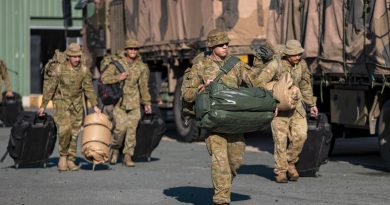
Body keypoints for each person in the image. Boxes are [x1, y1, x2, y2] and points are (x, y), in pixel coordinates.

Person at [181, 29, 254, 205]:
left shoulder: (236, 65)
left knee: (234, 162)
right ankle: (221, 198)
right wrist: (201, 89)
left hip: (235, 121)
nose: (225, 47)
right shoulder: (201, 66)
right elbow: (187, 94)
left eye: (227, 45)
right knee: (220, 160)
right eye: (221, 45)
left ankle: (223, 185)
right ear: (212, 46)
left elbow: (255, 82)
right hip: (213, 122)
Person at [253, 39, 318, 183]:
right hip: (279, 108)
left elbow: (305, 85)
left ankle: (290, 162)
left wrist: (311, 104)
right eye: (294, 55)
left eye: (299, 54)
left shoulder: (301, 65)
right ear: (287, 54)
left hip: (297, 107)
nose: (297, 57)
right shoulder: (276, 64)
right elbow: (259, 83)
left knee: (301, 135)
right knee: (280, 140)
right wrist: (272, 98)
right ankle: (281, 171)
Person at [38, 43, 101, 171]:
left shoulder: (83, 70)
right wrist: (43, 106)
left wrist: (95, 105)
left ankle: (71, 160)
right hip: (62, 103)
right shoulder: (59, 69)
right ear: (68, 57)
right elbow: (50, 88)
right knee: (64, 129)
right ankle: (62, 157)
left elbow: (88, 89)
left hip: (77, 105)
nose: (77, 59)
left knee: (74, 132)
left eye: (78, 56)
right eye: (74, 57)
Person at [101, 39, 152, 167]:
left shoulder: (141, 67)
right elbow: (104, 78)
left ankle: (128, 156)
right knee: (120, 129)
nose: (133, 51)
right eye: (130, 49)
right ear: (126, 50)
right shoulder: (117, 64)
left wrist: (147, 103)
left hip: (134, 103)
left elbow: (144, 86)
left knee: (132, 131)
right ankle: (115, 149)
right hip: (120, 103)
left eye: (135, 49)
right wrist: (118, 77)